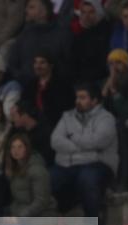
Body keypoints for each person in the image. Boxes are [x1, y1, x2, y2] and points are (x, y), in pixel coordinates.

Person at [50, 82, 118, 216]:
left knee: (87, 178)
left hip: (98, 164)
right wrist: (81, 147)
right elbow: (55, 141)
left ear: (94, 100)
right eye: (77, 97)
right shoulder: (67, 117)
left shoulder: (106, 118)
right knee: (49, 178)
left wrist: (72, 137)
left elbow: (98, 142)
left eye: (82, 98)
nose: (78, 101)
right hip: (69, 164)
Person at [8, 0, 71, 86]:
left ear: (43, 12)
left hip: (54, 87)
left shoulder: (62, 34)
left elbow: (68, 64)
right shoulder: (25, 34)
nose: (26, 10)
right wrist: (20, 77)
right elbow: (13, 62)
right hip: (25, 85)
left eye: (31, 7)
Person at [4, 132, 57, 217]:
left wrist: (20, 217)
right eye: (13, 147)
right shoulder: (15, 169)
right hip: (22, 210)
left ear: (27, 148)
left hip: (41, 215)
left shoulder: (37, 170)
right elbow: (18, 198)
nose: (15, 150)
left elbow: (41, 202)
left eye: (20, 147)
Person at [70, 1, 112, 85]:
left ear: (98, 13)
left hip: (102, 81)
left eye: (91, 12)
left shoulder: (108, 32)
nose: (86, 16)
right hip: (82, 83)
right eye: (83, 12)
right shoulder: (78, 37)